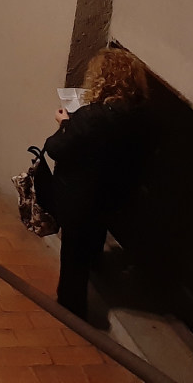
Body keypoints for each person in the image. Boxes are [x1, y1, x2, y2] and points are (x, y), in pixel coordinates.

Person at [43, 47, 153, 322]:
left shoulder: (92, 117)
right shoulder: (141, 116)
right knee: (94, 234)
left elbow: (55, 149)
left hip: (80, 197)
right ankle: (95, 263)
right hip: (115, 194)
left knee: (73, 255)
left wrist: (64, 124)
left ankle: (71, 308)